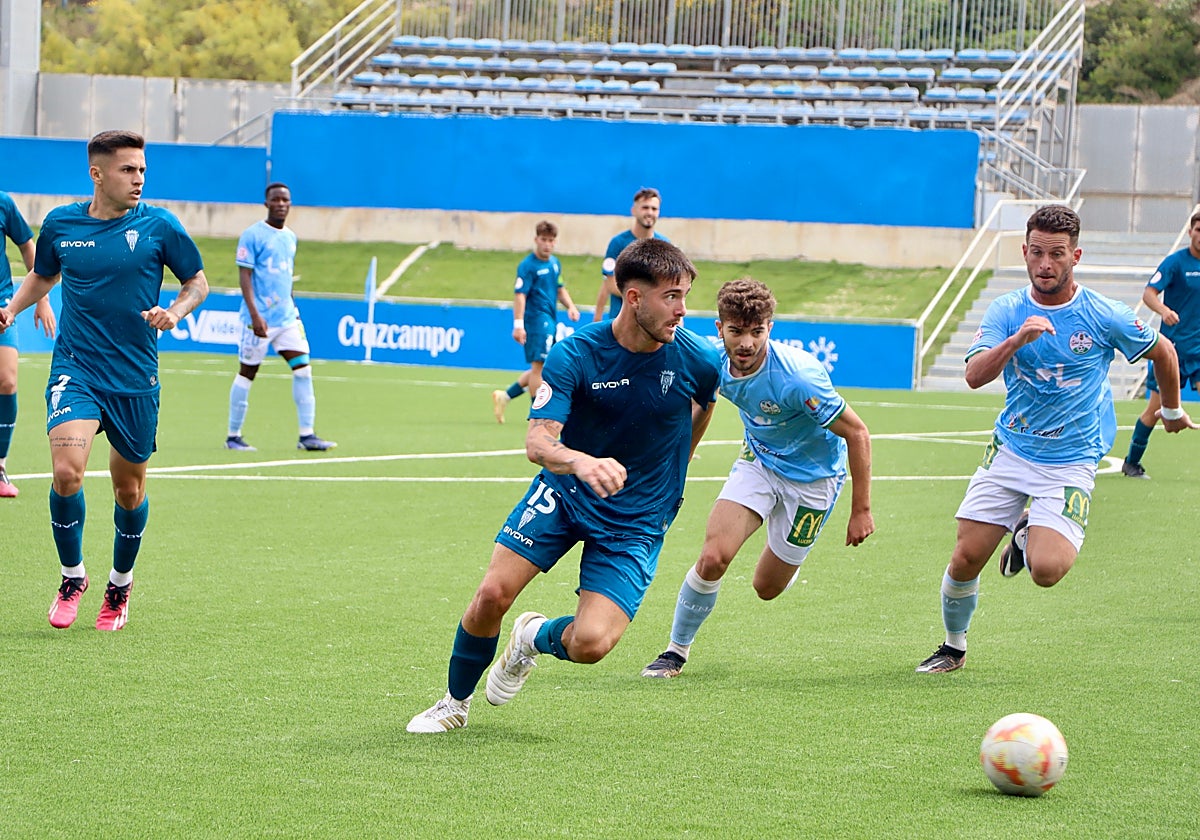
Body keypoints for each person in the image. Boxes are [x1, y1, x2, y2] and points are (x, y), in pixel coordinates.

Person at [407, 238, 721, 733]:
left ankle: (531, 638)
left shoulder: (697, 358)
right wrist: (581, 462)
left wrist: (682, 461)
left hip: (637, 519)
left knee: (591, 644)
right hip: (565, 494)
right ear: (634, 298)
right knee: (492, 593)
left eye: (685, 295)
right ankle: (453, 703)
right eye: (672, 296)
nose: (683, 310)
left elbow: (706, 402)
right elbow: (537, 443)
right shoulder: (576, 353)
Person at [915, 204, 1196, 674]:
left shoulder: (1103, 314)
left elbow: (1163, 351)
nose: (1046, 265)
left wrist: (1170, 409)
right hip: (1011, 448)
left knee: (1047, 571)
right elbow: (972, 376)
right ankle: (953, 648)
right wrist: (1015, 342)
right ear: (1025, 252)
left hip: (1070, 460)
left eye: (1057, 255)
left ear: (1076, 256)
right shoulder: (1007, 310)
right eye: (1038, 253)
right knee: (965, 558)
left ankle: (1027, 535)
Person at [0, 129, 210, 631]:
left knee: (128, 491)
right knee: (67, 470)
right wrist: (9, 309)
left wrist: (177, 311)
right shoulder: (61, 224)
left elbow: (196, 281)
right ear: (97, 174)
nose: (138, 178)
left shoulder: (160, 225)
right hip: (76, 368)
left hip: (135, 377)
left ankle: (120, 583)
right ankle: (72, 577)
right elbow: (44, 275)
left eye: (141, 170)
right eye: (127, 170)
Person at [641, 278, 875, 678]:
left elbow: (857, 433)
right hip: (759, 462)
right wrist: (685, 454)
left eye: (756, 331)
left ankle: (787, 554)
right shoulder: (711, 359)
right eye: (736, 331)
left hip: (813, 480)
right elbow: (704, 401)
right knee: (714, 557)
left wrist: (861, 510)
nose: (746, 343)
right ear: (720, 329)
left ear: (770, 327)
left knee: (766, 588)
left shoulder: (799, 378)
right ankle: (675, 652)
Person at [225, 183, 335, 452]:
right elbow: (245, 276)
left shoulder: (290, 237)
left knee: (303, 370)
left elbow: (285, 278)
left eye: (285, 200)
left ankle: (307, 435)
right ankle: (233, 436)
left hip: (286, 319)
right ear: (266, 203)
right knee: (247, 373)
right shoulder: (252, 235)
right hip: (259, 320)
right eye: (276, 200)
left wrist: (293, 310)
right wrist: (255, 315)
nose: (281, 204)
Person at [1121, 210, 1200, 479]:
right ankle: (1132, 461)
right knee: (1155, 410)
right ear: (1190, 232)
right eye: (1198, 230)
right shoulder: (1176, 263)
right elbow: (1149, 293)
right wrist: (1163, 310)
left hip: (1199, 352)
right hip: (1172, 350)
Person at [491, 220, 580, 423]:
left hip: (550, 319)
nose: (547, 244)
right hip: (536, 322)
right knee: (540, 368)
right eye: (543, 240)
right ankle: (538, 415)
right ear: (536, 240)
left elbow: (559, 288)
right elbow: (520, 295)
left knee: (542, 367)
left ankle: (504, 396)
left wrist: (571, 306)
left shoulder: (555, 263)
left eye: (551, 240)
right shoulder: (528, 266)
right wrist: (518, 324)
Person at [0, 190, 56, 498]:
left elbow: (27, 246)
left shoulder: (4, 203)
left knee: (7, 381)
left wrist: (42, 298)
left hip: (2, 303)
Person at [593, 187, 667, 322]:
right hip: (621, 324)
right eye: (645, 207)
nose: (649, 212)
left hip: (652, 324)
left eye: (654, 209)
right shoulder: (618, 243)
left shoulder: (665, 245)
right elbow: (609, 284)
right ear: (634, 210)